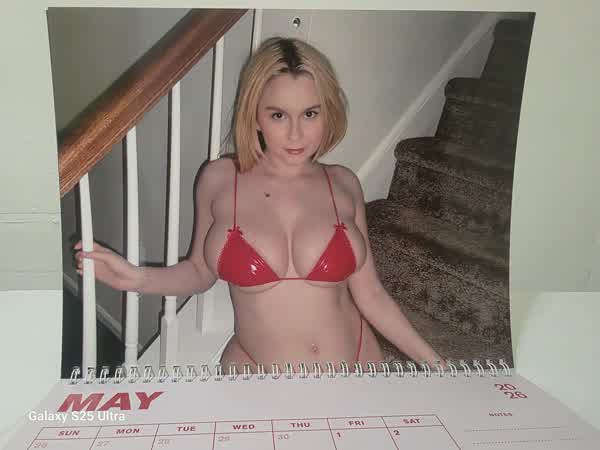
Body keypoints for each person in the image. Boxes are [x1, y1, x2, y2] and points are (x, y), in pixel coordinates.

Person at [73, 37, 444, 373]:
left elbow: (371, 294)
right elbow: (200, 271)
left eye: (310, 114)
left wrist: (436, 365)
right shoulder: (220, 179)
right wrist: (137, 279)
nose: (296, 134)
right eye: (278, 115)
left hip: (357, 364)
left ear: (328, 112)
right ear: (255, 115)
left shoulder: (343, 183)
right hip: (259, 375)